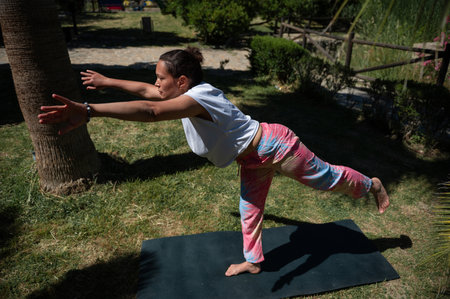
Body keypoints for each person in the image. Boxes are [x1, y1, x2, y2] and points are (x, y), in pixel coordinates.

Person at [38, 47, 390, 277]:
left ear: (181, 81)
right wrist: (108, 81)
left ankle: (370, 184)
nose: (155, 83)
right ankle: (253, 261)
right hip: (252, 159)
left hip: (275, 147)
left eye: (161, 77)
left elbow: (151, 109)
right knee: (249, 208)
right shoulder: (185, 92)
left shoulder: (199, 98)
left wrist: (88, 110)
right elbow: (149, 94)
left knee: (326, 178)